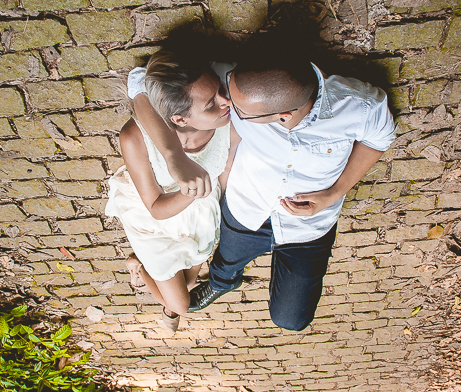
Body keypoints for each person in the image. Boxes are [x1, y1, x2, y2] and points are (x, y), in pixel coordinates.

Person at [132, 55, 396, 331]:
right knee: (225, 261)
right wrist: (173, 155)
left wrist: (335, 192)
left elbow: (380, 139)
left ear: (282, 118)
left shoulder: (362, 106)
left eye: (239, 113)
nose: (228, 105)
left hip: (308, 226)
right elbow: (141, 80)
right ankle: (223, 282)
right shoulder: (238, 84)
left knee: (291, 319)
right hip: (246, 208)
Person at [104, 50, 239, 333]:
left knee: (189, 281)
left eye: (219, 90)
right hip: (157, 217)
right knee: (180, 304)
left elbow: (226, 170)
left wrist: (225, 211)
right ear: (179, 119)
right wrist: (189, 193)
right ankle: (141, 266)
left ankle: (142, 266)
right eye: (211, 103)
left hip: (201, 210)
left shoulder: (229, 120)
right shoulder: (134, 136)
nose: (227, 101)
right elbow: (155, 207)